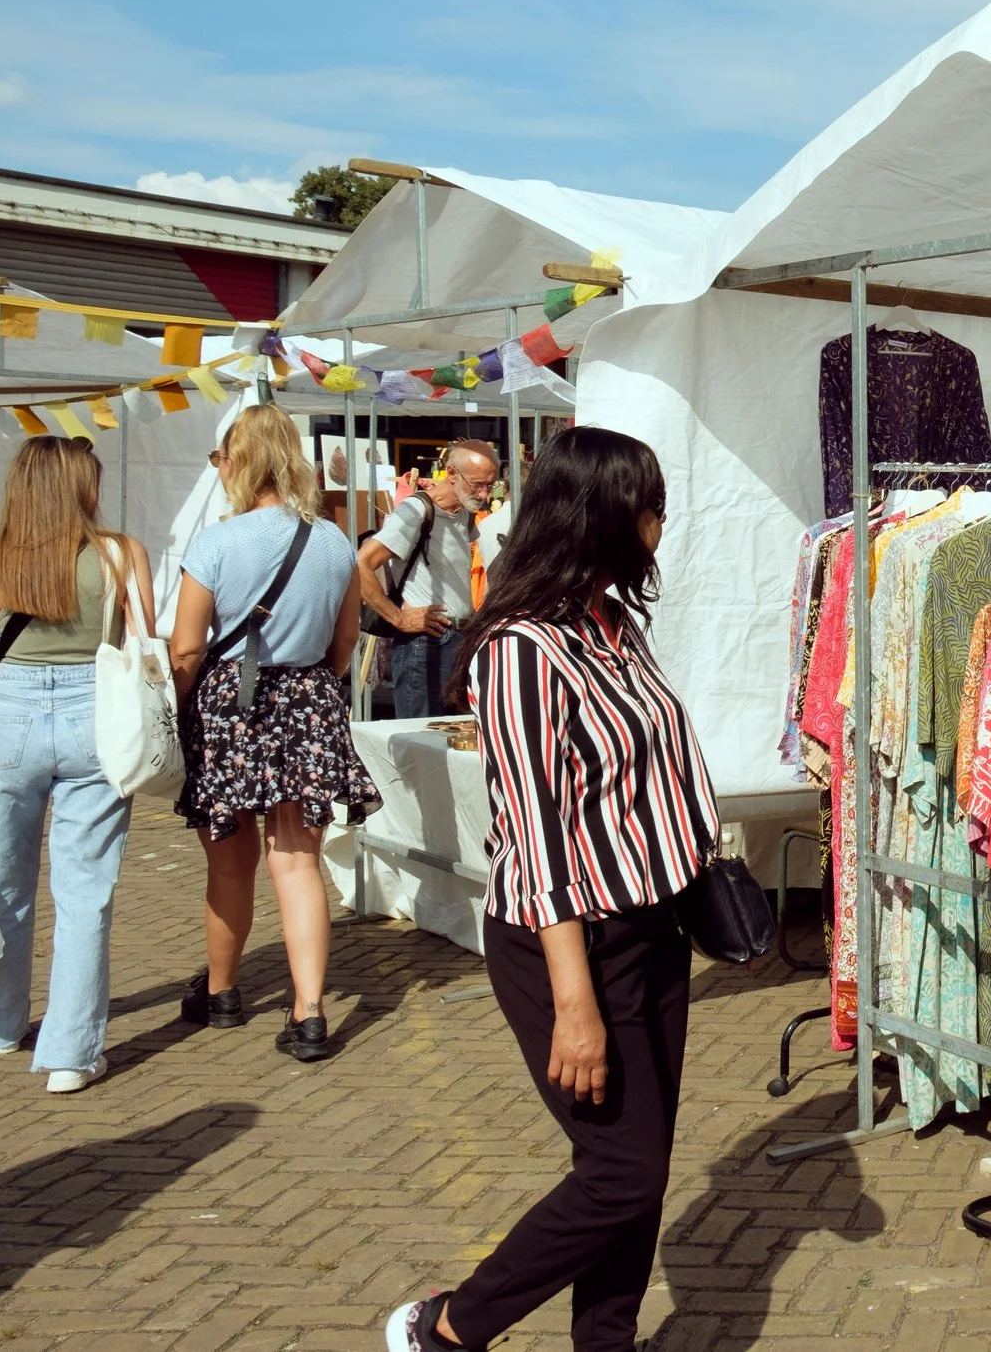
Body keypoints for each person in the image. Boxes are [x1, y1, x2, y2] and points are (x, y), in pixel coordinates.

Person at [385, 426, 718, 1352]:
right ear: (599, 514)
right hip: (566, 939)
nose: (659, 523)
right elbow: (535, 833)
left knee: (637, 1169)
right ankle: (448, 1326)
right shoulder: (522, 649)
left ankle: (606, 1340)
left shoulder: (613, 625)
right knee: (620, 1173)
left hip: (651, 926)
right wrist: (575, 1003)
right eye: (648, 506)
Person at [171, 403, 381, 1062]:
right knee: (296, 860)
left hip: (230, 704)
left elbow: (185, 647)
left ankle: (223, 993)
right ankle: (309, 1012)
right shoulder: (333, 541)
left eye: (221, 457)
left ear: (238, 462)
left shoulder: (215, 541)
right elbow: (345, 641)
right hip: (308, 697)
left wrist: (185, 707)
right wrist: (312, 685)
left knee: (229, 858)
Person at [0, 438, 157, 1092]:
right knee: (85, 893)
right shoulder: (121, 553)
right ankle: (69, 1055)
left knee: (2, 883)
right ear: (82, 485)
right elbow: (145, 647)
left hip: (9, 717)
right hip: (98, 715)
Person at [357, 439, 502, 718]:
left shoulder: (463, 513)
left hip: (457, 639)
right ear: (452, 473)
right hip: (424, 644)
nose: (484, 493)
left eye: (490, 485)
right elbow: (362, 563)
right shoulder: (416, 510)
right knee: (420, 733)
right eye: (477, 484)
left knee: (454, 733)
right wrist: (398, 618)